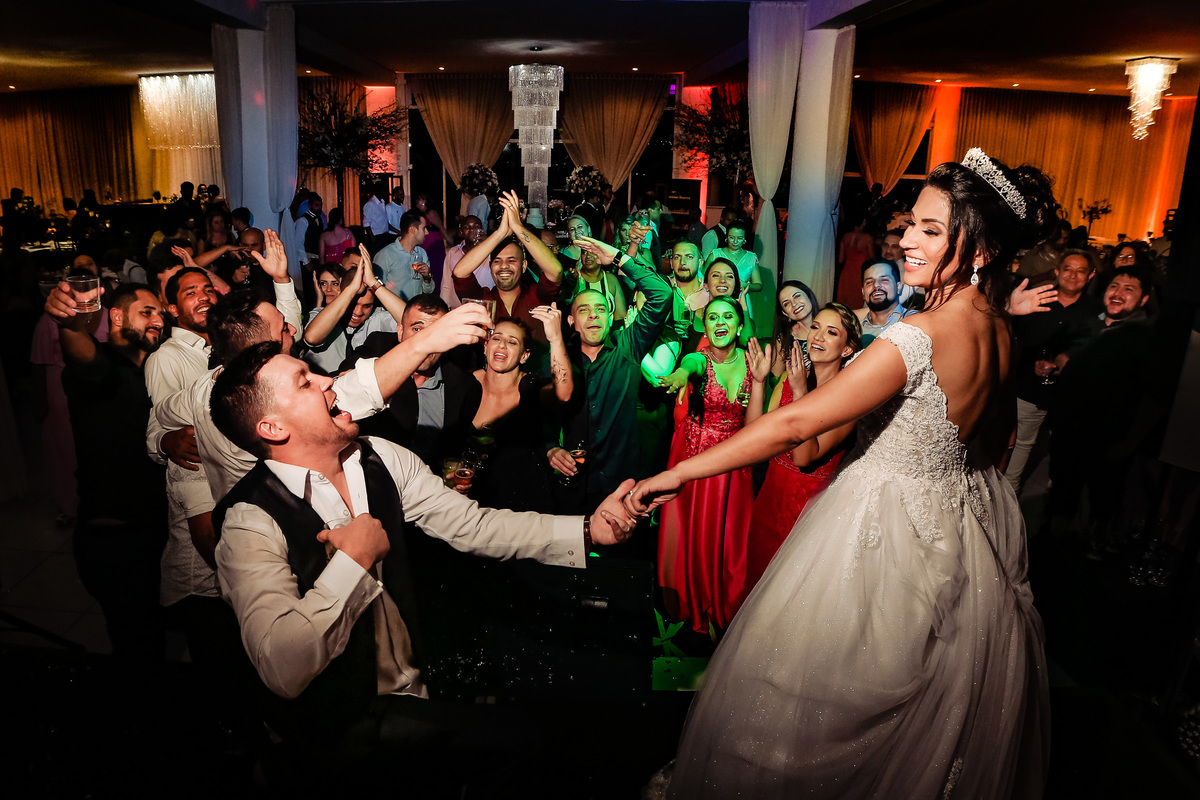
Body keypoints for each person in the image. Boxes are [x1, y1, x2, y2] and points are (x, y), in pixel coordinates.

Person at [626, 148, 1059, 798]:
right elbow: (997, 445)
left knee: (815, 702)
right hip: (959, 531)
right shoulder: (999, 329)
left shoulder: (915, 338)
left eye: (932, 230)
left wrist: (679, 474)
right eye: (910, 224)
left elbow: (794, 426)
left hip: (880, 533)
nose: (906, 240)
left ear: (983, 250)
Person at [207, 340, 636, 794]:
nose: (328, 381)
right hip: (338, 730)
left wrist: (588, 531)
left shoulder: (380, 456)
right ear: (272, 427)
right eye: (304, 382)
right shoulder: (247, 520)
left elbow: (474, 526)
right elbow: (283, 668)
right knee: (521, 742)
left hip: (417, 690)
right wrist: (354, 561)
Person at [44, 282, 170, 667]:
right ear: (116, 316)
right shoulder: (102, 365)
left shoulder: (158, 369)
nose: (158, 320)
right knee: (137, 649)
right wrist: (68, 323)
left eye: (160, 313)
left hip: (158, 530)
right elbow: (83, 358)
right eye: (146, 312)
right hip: (118, 542)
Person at [655, 297, 755, 634]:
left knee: (732, 538)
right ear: (706, 327)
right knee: (695, 532)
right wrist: (681, 373)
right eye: (712, 317)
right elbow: (691, 364)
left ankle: (727, 606)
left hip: (736, 462)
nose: (720, 322)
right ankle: (696, 603)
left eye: (727, 316)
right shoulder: (699, 359)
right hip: (696, 457)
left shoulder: (753, 363)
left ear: (739, 326)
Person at [552, 232, 672, 512]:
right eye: (584, 310)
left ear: (610, 317)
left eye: (600, 309)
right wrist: (550, 447)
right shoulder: (559, 356)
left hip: (620, 481)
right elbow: (540, 412)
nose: (593, 315)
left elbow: (662, 294)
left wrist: (619, 259)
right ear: (571, 321)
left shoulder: (628, 345)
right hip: (573, 482)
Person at [746, 303, 861, 592]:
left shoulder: (849, 398)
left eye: (831, 332)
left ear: (847, 349)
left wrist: (800, 393)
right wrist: (759, 382)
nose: (818, 336)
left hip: (807, 507)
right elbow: (755, 437)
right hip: (770, 497)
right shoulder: (790, 378)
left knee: (787, 589)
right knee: (757, 581)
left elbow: (804, 457)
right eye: (815, 327)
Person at [1004, 249, 1102, 494]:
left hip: (1071, 393)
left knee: (1064, 443)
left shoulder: (1097, 310)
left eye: (1081, 271)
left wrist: (1065, 362)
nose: (1073, 276)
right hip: (1029, 386)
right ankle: (1010, 493)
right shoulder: (1039, 299)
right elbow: (1009, 335)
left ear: (1090, 275)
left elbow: (1094, 349)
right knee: (1021, 442)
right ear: (1057, 272)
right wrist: (1008, 310)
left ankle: (1056, 485)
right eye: (1067, 269)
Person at [465, 308, 573, 512]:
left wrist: (556, 339)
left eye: (512, 342)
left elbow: (564, 393)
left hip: (523, 501)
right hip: (475, 500)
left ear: (524, 356)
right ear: (486, 346)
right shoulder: (466, 383)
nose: (502, 345)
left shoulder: (530, 387)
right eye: (497, 338)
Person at [452, 191, 565, 357]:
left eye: (511, 260)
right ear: (490, 267)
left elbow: (555, 271)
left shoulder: (537, 296)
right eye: (497, 261)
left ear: (524, 266)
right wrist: (500, 234)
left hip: (537, 372)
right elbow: (459, 273)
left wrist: (518, 227)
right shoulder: (484, 301)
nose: (504, 266)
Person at [302, 254, 405, 376]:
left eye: (366, 306)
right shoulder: (320, 315)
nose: (358, 312)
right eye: (352, 304)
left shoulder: (376, 318)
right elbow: (311, 337)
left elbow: (412, 321)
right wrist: (351, 290)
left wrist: (374, 284)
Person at [701, 222, 761, 332]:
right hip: (717, 296)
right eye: (732, 237)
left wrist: (745, 285)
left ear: (744, 239)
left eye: (739, 238)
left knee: (744, 331)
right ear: (726, 237)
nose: (735, 241)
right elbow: (703, 277)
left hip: (742, 299)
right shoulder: (715, 254)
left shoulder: (751, 257)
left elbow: (758, 285)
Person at [372, 211, 434, 300]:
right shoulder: (385, 255)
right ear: (413, 230)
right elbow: (375, 289)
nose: (427, 232)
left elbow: (428, 291)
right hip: (392, 308)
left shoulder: (422, 253)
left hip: (416, 307)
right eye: (424, 228)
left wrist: (427, 278)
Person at [854, 257, 911, 346]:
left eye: (884, 280)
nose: (876, 285)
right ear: (863, 292)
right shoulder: (855, 333)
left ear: (899, 287)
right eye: (869, 282)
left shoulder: (914, 321)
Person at [769, 280, 819, 379]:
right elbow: (775, 378)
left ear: (808, 295)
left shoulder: (830, 325)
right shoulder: (784, 337)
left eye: (797, 296)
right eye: (786, 304)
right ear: (785, 313)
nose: (794, 304)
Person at [440, 214, 491, 308]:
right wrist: (444, 309)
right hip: (458, 309)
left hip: (484, 307)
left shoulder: (490, 252)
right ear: (461, 232)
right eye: (467, 227)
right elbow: (446, 285)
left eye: (476, 226)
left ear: (482, 230)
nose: (472, 230)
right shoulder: (452, 253)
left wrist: (488, 242)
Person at [834, 215, 875, 308]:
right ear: (863, 222)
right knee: (858, 299)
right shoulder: (867, 238)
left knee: (845, 299)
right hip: (861, 272)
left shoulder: (845, 237)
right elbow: (871, 259)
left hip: (847, 272)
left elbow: (840, 259)